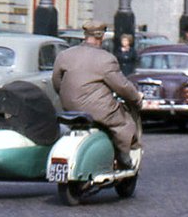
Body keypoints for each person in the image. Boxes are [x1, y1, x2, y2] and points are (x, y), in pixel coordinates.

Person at [51, 20, 143, 170]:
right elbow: (122, 86)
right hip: (97, 110)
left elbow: (56, 82)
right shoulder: (106, 59)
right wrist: (136, 99)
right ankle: (123, 157)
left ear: (85, 35)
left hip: (69, 107)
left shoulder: (65, 55)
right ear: (101, 37)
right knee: (124, 122)